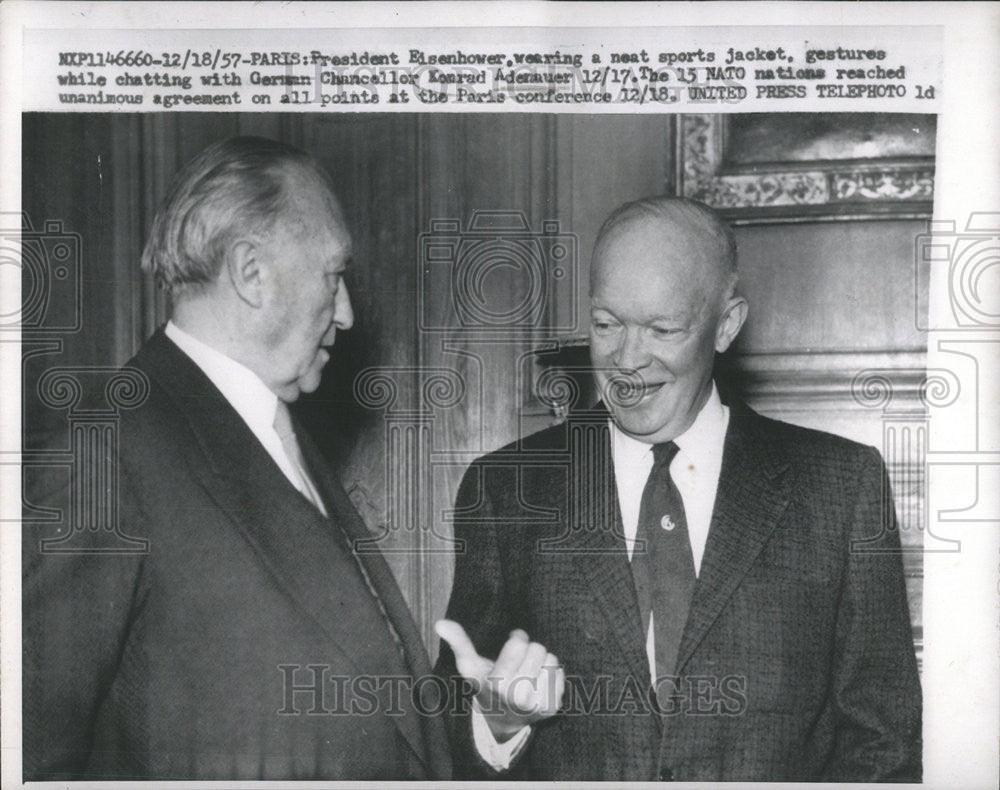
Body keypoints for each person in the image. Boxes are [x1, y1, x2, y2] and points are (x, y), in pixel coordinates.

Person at [434, 196, 921, 781]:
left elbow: (883, 742)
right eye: (606, 324)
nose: (626, 360)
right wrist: (499, 724)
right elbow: (445, 731)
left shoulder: (841, 487)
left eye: (663, 329)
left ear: (726, 325)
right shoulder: (505, 490)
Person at [22, 137, 450, 781]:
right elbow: (30, 754)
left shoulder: (278, 435)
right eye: (333, 276)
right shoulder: (104, 451)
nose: (347, 313)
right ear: (252, 273)